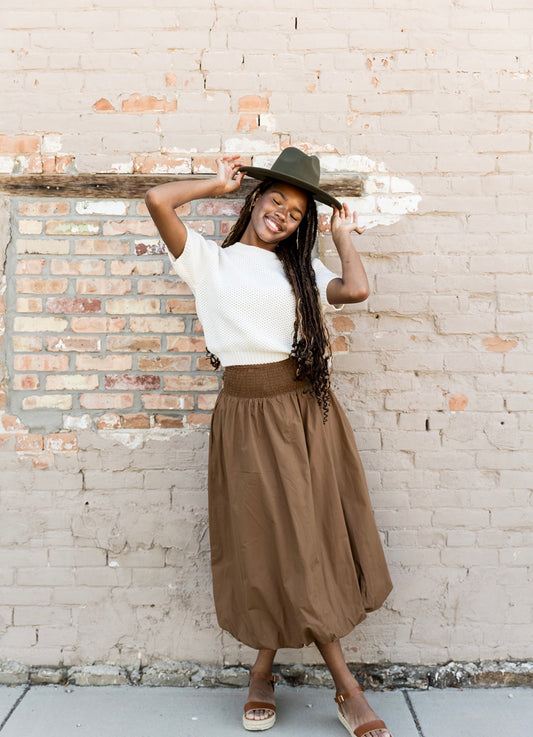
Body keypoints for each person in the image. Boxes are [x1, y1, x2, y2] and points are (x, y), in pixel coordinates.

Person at [145, 147, 393, 737]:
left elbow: (356, 291)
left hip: (307, 414)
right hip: (246, 416)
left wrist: (341, 235)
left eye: (295, 212)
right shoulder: (208, 261)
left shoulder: (302, 271)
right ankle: (308, 680)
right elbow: (157, 201)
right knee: (264, 544)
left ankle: (308, 680)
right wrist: (214, 184)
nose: (281, 215)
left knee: (306, 542)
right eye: (274, 200)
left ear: (302, 223)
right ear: (254, 200)